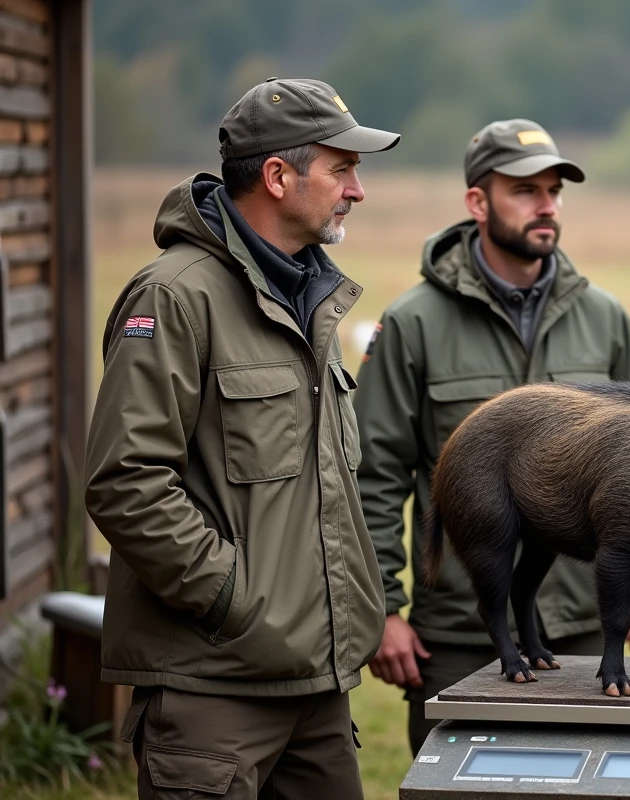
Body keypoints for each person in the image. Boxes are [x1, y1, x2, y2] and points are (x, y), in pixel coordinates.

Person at [84, 78, 400, 799]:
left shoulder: (311, 298)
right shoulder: (174, 297)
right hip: (212, 691)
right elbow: (124, 480)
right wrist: (234, 599)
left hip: (315, 689)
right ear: (279, 176)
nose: (357, 190)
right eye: (342, 169)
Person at [353, 118, 630, 754]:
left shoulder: (604, 319)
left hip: (580, 623)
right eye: (525, 190)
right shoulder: (412, 323)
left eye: (554, 190)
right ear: (477, 201)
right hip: (460, 632)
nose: (546, 205)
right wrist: (382, 609)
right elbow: (372, 473)